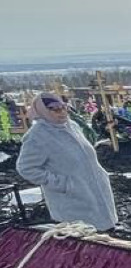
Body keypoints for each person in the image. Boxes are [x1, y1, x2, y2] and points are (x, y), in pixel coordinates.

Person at [16, 93, 118, 231]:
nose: (62, 112)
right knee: (84, 245)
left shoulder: (72, 126)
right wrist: (62, 184)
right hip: (73, 203)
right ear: (43, 111)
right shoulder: (38, 136)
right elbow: (26, 168)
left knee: (107, 241)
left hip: (97, 195)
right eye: (56, 109)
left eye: (64, 107)